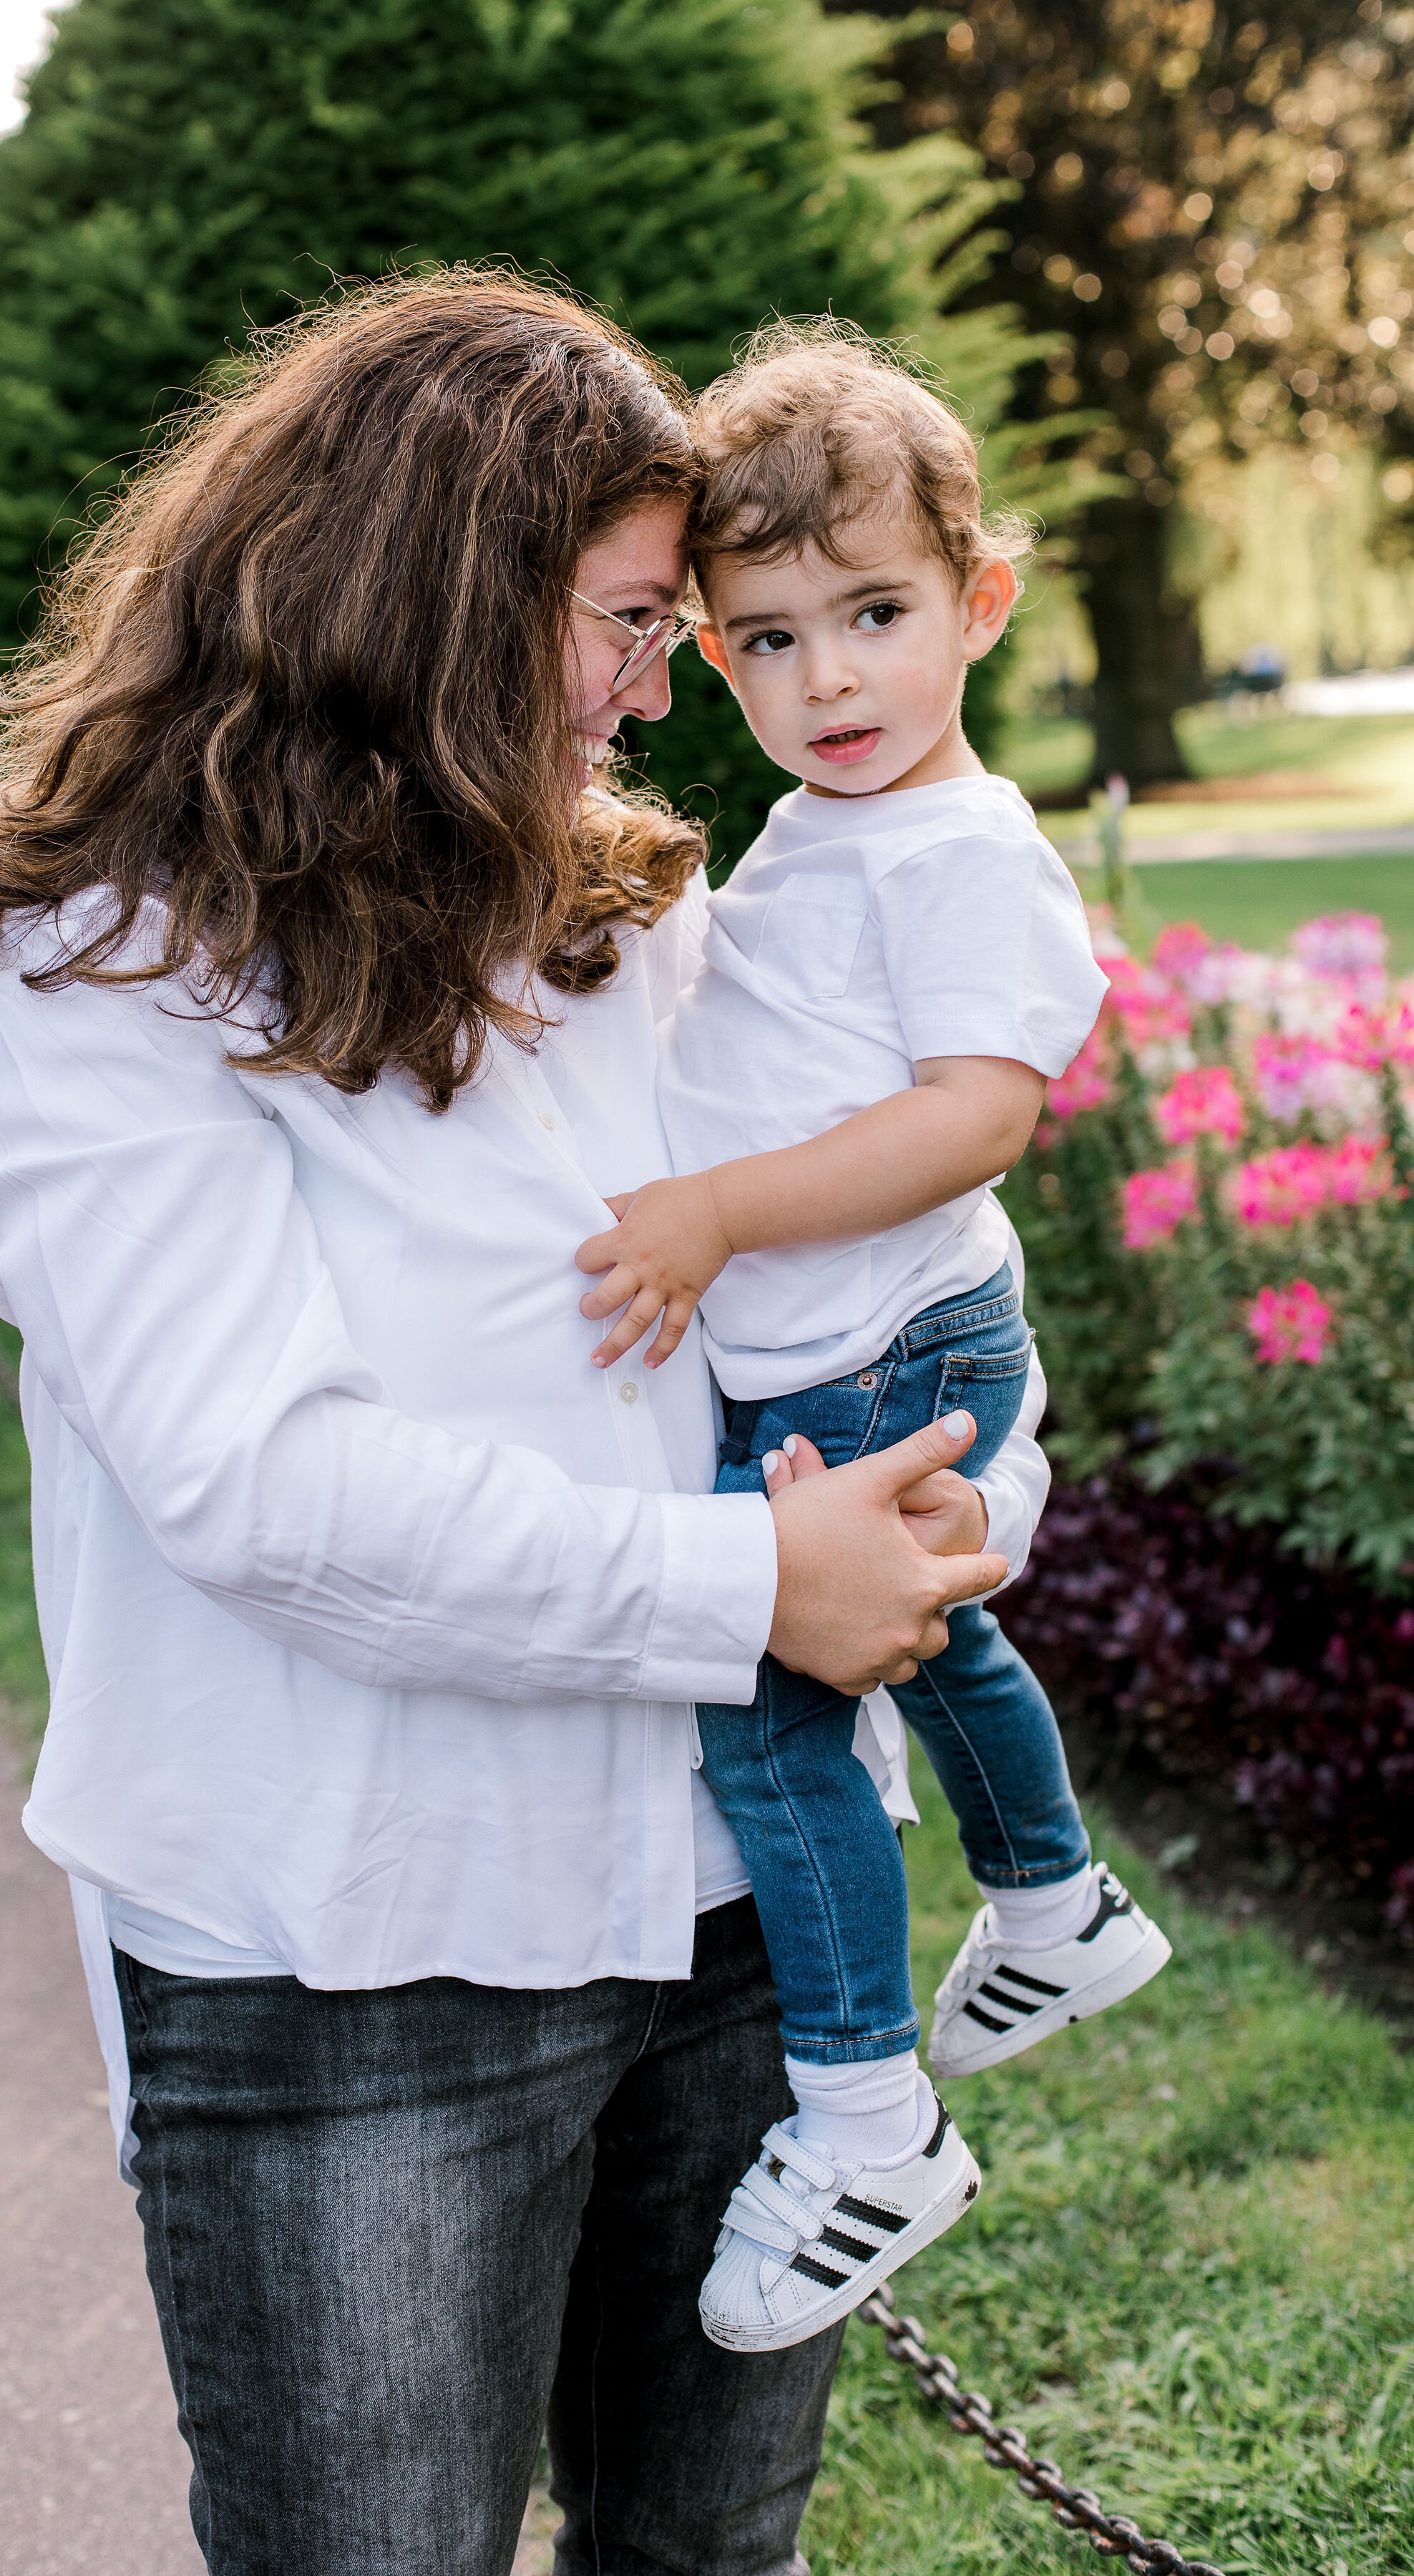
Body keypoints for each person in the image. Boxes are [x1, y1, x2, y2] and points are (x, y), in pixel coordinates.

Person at [0, 275, 1038, 2576]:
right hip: (358, 1959)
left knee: (709, 2552)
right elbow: (259, 1476)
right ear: (425, 597)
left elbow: (888, 1265)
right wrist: (756, 1588)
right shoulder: (112, 965)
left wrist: (963, 1509)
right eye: (625, 621)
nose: (662, 682)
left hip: (743, 1921)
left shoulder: (638, 913)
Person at [573, 323, 1172, 2357]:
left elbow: (978, 1114)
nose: (828, 681)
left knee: (769, 1717)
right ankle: (1056, 1901)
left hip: (873, 1348)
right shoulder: (847, 826)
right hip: (851, 1345)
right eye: (766, 641)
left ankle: (861, 2116)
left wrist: (723, 1211)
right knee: (947, 1637)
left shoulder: (962, 848)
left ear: (981, 602)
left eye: (879, 616)